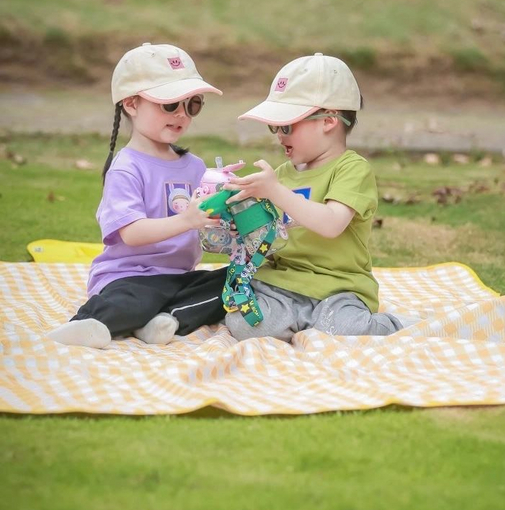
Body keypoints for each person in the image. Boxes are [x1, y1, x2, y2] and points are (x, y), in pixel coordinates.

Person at [47, 43, 228, 349]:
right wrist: (187, 219)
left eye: (192, 105)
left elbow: (208, 227)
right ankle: (89, 323)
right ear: (131, 104)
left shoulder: (195, 167)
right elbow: (131, 233)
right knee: (134, 299)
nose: (182, 114)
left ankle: (161, 321)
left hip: (179, 277)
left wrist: (231, 220)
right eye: (170, 105)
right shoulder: (127, 168)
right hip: (130, 277)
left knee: (234, 283)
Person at [223, 52, 414, 342]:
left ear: (328, 120)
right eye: (274, 127)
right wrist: (237, 219)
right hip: (282, 285)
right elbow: (268, 236)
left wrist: (276, 191)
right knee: (244, 323)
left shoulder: (352, 169)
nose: (278, 136)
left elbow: (331, 224)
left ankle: (392, 325)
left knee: (347, 330)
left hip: (338, 287)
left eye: (286, 126)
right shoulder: (282, 174)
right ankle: (302, 324)